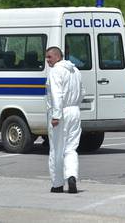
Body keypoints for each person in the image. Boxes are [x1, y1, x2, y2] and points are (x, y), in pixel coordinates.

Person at [45, 46, 84, 194]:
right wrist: (75, 106)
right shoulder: (75, 71)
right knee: (71, 148)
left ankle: (57, 184)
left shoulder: (56, 71)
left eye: (49, 57)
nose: (47, 60)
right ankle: (72, 175)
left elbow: (57, 94)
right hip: (74, 110)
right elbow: (82, 92)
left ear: (57, 56)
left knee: (56, 149)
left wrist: (56, 116)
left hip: (61, 112)